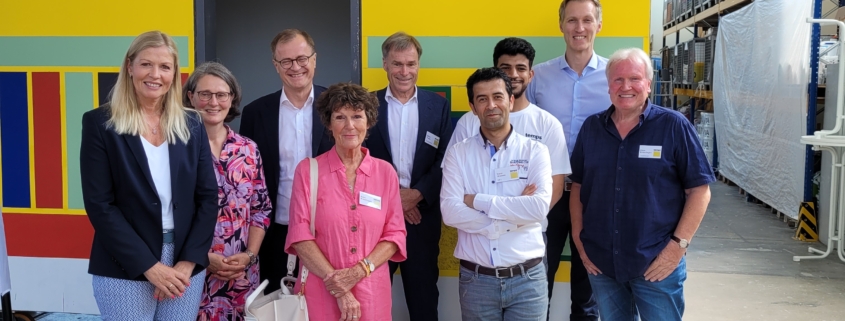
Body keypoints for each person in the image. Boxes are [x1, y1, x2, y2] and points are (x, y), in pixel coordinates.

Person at [80, 30, 218, 319]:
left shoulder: (192, 124)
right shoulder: (100, 124)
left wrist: (189, 261)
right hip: (125, 264)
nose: (155, 74)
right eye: (146, 64)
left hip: (185, 264)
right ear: (130, 67)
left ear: (174, 74)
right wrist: (150, 267)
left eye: (165, 67)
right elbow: (100, 205)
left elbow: (207, 198)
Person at [569, 48, 714, 321]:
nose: (626, 87)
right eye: (617, 80)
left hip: (657, 264)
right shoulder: (591, 128)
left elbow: (700, 191)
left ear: (648, 84)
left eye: (634, 79)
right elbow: (578, 186)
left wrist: (677, 248)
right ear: (608, 86)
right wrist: (579, 240)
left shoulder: (674, 126)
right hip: (602, 263)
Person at [284, 82, 407, 321]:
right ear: (329, 124)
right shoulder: (308, 171)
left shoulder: (385, 173)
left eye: (357, 116)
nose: (349, 126)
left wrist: (357, 273)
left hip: (372, 292)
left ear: (369, 122)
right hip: (320, 290)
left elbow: (395, 235)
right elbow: (299, 235)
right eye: (340, 117)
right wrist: (338, 285)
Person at [441, 67, 552, 321]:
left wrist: (476, 201)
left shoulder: (535, 151)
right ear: (472, 106)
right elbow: (450, 212)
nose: (491, 105)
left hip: (528, 281)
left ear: (511, 101)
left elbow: (537, 209)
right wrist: (508, 219)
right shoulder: (458, 154)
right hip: (476, 281)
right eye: (482, 99)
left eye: (498, 96)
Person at [525, 1, 609, 319]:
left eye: (587, 20)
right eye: (572, 20)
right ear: (561, 24)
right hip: (547, 193)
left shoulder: (614, 77)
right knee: (537, 283)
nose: (579, 28)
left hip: (594, 196)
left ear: (598, 25)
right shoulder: (539, 78)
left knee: (588, 290)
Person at [364, 31, 452, 321]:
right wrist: (395, 202)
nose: (405, 71)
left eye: (411, 64)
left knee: (424, 297)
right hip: (376, 219)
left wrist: (417, 195)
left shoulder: (436, 105)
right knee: (371, 296)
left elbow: (445, 159)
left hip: (422, 218)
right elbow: (359, 160)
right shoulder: (368, 105)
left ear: (418, 65)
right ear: (385, 64)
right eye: (397, 64)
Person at [239, 28, 333, 294]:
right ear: (275, 65)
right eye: (286, 61)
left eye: (302, 59)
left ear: (314, 59)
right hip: (275, 233)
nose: (296, 67)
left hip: (327, 232)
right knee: (276, 307)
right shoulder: (256, 113)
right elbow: (249, 180)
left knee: (323, 306)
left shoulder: (336, 106)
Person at [448, 37, 569, 235]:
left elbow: (554, 190)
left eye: (520, 68)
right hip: (477, 242)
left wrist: (518, 221)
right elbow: (455, 193)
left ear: (530, 75)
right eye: (506, 68)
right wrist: (518, 207)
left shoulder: (548, 125)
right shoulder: (468, 122)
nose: (513, 75)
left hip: (528, 238)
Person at [183, 62, 272, 320]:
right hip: (192, 272)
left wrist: (249, 255)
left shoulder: (248, 149)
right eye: (205, 94)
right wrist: (202, 257)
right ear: (191, 97)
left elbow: (261, 208)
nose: (213, 102)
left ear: (231, 98)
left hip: (241, 274)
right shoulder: (176, 148)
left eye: (221, 94)